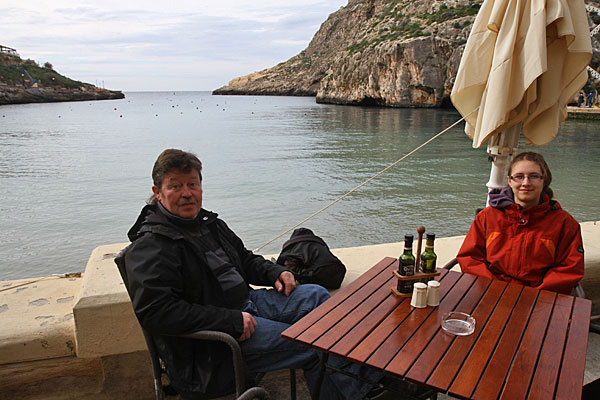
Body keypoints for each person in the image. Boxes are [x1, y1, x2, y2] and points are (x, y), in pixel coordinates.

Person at [121, 149, 382, 400]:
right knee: (314, 346)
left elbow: (245, 259)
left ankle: (355, 385)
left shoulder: (209, 224)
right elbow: (156, 312)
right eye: (175, 186)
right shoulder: (151, 245)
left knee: (316, 296)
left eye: (193, 184)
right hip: (213, 346)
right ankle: (360, 387)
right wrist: (230, 321)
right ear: (157, 192)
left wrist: (276, 272)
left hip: (247, 303)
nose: (187, 193)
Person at [457, 151, 584, 294]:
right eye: (519, 177)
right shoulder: (488, 217)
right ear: (509, 181)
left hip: (540, 297)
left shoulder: (564, 223)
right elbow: (470, 258)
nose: (526, 183)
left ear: (544, 180)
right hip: (491, 291)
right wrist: (493, 287)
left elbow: (569, 269)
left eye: (533, 176)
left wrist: (536, 294)